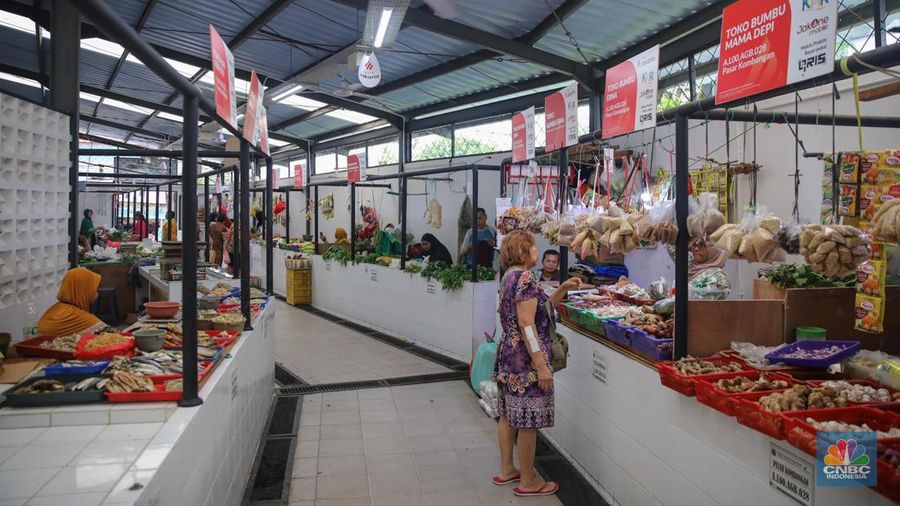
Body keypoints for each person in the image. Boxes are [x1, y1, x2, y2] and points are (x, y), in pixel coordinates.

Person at [493, 230, 581, 497]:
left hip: (508, 353)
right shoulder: (526, 277)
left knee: (508, 414)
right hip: (525, 360)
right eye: (532, 246)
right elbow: (527, 323)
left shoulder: (508, 277)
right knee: (529, 420)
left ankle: (508, 469)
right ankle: (529, 481)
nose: (536, 251)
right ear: (523, 250)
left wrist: (561, 289)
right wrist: (541, 365)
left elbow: (537, 310)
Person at [37, 268, 106, 337]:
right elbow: (108, 338)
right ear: (82, 290)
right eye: (94, 290)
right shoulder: (82, 319)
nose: (97, 294)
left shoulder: (52, 311)